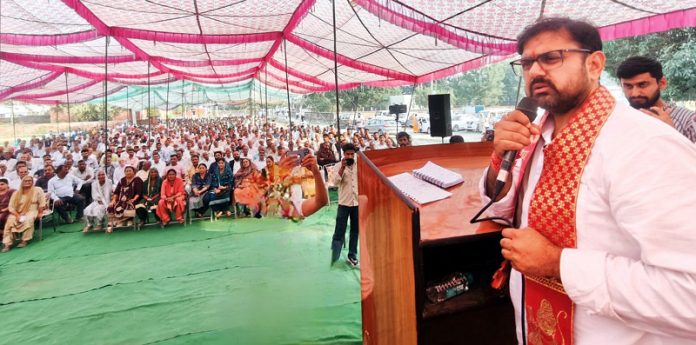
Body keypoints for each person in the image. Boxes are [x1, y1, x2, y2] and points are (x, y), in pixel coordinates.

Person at [481, 17, 696, 344]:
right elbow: (499, 208)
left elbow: (688, 296)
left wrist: (558, 264)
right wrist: (500, 160)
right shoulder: (537, 134)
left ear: (594, 64)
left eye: (551, 58)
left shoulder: (647, 146)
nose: (536, 71)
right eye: (526, 62)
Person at [616, 56, 696, 142]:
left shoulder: (689, 121)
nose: (635, 93)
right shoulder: (617, 121)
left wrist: (671, 133)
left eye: (642, 85)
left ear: (662, 83)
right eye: (628, 86)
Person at [330, 143, 359, 268]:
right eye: (348, 154)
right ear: (343, 154)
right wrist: (342, 168)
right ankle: (334, 256)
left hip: (357, 203)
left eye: (352, 154)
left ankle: (352, 255)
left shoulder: (360, 165)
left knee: (355, 230)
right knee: (339, 231)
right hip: (344, 203)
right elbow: (335, 183)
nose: (350, 156)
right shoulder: (337, 166)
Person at [2, 175, 46, 252]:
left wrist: (40, 213)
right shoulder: (16, 193)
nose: (28, 182)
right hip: (18, 212)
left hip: (32, 210)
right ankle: (7, 244)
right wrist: (17, 215)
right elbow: (11, 207)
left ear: (32, 182)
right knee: (9, 221)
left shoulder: (37, 190)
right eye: (25, 181)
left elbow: (42, 202)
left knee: (28, 220)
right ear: (22, 182)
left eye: (30, 181)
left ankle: (24, 240)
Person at [108, 166, 142, 232]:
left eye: (130, 171)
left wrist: (134, 199)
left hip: (133, 199)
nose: (128, 172)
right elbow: (116, 192)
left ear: (134, 172)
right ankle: (118, 222)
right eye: (127, 171)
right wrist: (113, 200)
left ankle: (128, 220)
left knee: (129, 205)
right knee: (112, 206)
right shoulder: (122, 180)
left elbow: (139, 192)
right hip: (121, 200)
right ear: (124, 172)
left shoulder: (137, 180)